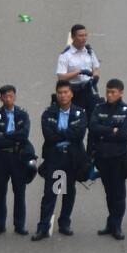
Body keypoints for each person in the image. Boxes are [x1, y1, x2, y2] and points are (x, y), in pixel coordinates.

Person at [31, 80, 88, 240]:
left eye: (66, 92)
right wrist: (67, 134)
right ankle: (43, 227)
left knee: (68, 191)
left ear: (71, 94)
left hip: (72, 158)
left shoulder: (79, 113)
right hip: (55, 158)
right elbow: (49, 136)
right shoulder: (49, 113)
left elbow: (79, 135)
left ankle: (64, 223)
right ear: (57, 94)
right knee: (51, 193)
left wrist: (61, 133)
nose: (63, 95)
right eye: (60, 93)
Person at [89, 79, 127, 240]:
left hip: (119, 158)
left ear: (121, 93)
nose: (109, 95)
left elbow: (123, 134)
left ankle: (117, 225)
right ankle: (111, 222)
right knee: (109, 192)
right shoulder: (99, 108)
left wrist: (105, 132)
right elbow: (93, 128)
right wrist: (111, 130)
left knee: (119, 193)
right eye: (108, 91)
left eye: (113, 92)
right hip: (102, 157)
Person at [0, 85, 31, 236]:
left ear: (15, 96)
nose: (8, 99)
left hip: (18, 157)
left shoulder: (22, 114)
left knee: (19, 192)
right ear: (0, 98)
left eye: (11, 96)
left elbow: (24, 135)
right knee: (0, 192)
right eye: (5, 96)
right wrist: (14, 136)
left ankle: (19, 225)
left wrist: (7, 135)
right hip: (1, 157)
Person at [56, 23, 101, 120]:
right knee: (76, 120)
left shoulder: (89, 51)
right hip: (74, 91)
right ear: (72, 37)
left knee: (93, 118)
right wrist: (79, 72)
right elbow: (61, 77)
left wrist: (95, 77)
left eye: (85, 35)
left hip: (89, 89)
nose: (84, 38)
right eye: (80, 36)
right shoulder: (65, 55)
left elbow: (96, 68)